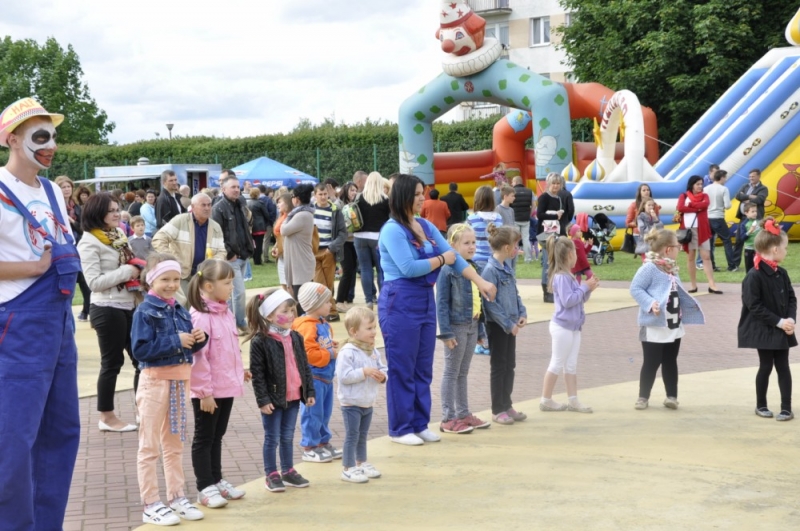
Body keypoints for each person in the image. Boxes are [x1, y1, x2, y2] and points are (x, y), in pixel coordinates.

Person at [0, 97, 81, 529]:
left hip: (59, 322)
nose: (51, 145)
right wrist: (31, 268)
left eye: (53, 136)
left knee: (61, 433)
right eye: (41, 136)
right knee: (12, 443)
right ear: (13, 139)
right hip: (19, 327)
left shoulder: (51, 191)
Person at [378, 174, 496, 445]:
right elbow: (409, 268)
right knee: (403, 367)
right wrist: (442, 258)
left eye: (423, 192)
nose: (423, 198)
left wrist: (481, 282)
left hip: (423, 299)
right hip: (399, 301)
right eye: (418, 194)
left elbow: (456, 260)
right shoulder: (392, 230)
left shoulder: (425, 225)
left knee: (423, 366)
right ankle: (401, 429)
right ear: (404, 196)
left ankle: (419, 424)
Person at [131, 252, 209, 525]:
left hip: (179, 382)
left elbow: (189, 346)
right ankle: (150, 503)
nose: (172, 285)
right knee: (149, 446)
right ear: (151, 279)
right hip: (154, 383)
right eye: (165, 279)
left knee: (174, 444)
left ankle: (176, 496)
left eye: (176, 279)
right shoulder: (144, 311)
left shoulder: (179, 308)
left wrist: (199, 338)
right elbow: (140, 350)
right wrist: (176, 340)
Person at [187, 259, 250, 508]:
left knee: (217, 435)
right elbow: (199, 358)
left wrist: (239, 372)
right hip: (208, 391)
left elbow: (228, 349)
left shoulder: (226, 312)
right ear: (209, 286)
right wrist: (204, 392)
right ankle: (205, 486)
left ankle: (216, 479)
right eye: (227, 283)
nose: (232, 287)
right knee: (204, 437)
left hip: (225, 386)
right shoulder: (200, 317)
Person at [78, 192, 143, 432]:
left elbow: (130, 261)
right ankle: (106, 417)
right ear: (97, 214)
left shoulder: (118, 235)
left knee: (141, 359)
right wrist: (127, 272)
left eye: (118, 209)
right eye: (111, 211)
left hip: (129, 304)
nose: (117, 214)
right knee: (112, 363)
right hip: (106, 308)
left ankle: (143, 409)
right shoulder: (88, 242)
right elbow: (93, 282)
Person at [246, 288, 316, 492]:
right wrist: (263, 400)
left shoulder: (296, 337)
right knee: (272, 438)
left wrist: (309, 391)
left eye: (293, 310)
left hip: (293, 397)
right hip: (273, 399)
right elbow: (258, 375)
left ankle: (288, 470)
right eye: (285, 311)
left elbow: (304, 366)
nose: (291, 315)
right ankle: (271, 474)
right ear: (269, 315)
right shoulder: (260, 341)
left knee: (287, 436)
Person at [629, 229, 704, 410]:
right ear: (668, 249)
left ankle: (671, 396)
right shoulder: (649, 268)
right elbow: (635, 288)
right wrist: (650, 303)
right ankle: (643, 397)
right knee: (651, 362)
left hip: (673, 323)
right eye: (678, 246)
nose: (680, 249)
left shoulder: (671, 267)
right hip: (654, 325)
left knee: (670, 360)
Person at [738, 219, 796, 421]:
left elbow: (791, 298)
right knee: (766, 366)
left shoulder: (782, 273)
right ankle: (761, 405)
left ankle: (786, 408)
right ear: (774, 249)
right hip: (763, 329)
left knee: (783, 366)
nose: (786, 251)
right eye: (785, 248)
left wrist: (790, 319)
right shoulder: (754, 276)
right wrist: (779, 322)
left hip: (782, 327)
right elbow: (754, 306)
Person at [435, 223, 491, 434]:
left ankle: (463, 413)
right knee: (452, 371)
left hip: (472, 325)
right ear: (453, 245)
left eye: (474, 242)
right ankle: (448, 418)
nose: (472, 246)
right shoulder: (447, 271)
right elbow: (441, 303)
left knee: (463, 372)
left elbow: (478, 302)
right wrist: (446, 333)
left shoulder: (473, 268)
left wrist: (480, 331)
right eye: (466, 243)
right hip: (456, 327)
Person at [540, 235, 599, 414]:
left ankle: (573, 400)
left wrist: (588, 289)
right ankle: (546, 399)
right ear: (569, 255)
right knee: (557, 363)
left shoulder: (569, 276)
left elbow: (578, 298)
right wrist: (584, 287)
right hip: (563, 327)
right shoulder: (561, 277)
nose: (578, 256)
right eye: (576, 253)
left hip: (573, 327)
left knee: (570, 364)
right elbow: (568, 301)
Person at [480, 224, 527, 425]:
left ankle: (507, 404)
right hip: (498, 326)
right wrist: (508, 324)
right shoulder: (490, 271)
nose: (518, 249)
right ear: (507, 248)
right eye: (516, 245)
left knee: (510, 365)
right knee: (499, 366)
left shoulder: (507, 268)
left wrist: (522, 313)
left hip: (510, 325)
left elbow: (515, 294)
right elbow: (490, 305)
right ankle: (497, 409)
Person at [335, 307, 388, 483]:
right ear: (354, 331)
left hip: (367, 401)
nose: (374, 332)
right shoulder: (347, 352)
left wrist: (383, 376)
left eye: (374, 327)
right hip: (351, 403)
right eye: (369, 328)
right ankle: (348, 468)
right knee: (352, 435)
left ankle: (361, 462)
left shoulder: (372, 350)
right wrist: (363, 372)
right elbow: (343, 377)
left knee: (363, 435)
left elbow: (382, 368)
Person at [293, 282, 343, 463]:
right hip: (313, 378)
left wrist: (330, 345)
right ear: (315, 305)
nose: (330, 304)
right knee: (312, 413)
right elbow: (307, 354)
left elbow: (318, 345)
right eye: (326, 302)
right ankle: (309, 446)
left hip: (326, 376)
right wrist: (330, 353)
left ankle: (322, 442)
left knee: (324, 413)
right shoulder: (306, 326)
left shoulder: (321, 322)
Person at [152, 193, 227, 306]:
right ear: (193, 207)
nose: (207, 208)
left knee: (201, 308)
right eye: (203, 205)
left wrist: (211, 265)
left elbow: (221, 251)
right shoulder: (180, 220)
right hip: (182, 275)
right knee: (182, 306)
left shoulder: (215, 227)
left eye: (209, 205)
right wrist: (171, 259)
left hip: (203, 276)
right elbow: (158, 239)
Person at [212, 176, 254, 331]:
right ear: (223, 189)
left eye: (238, 187)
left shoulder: (241, 204)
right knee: (239, 293)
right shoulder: (218, 208)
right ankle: (239, 322)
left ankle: (231, 322)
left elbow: (245, 228)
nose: (237, 190)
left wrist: (249, 249)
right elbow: (217, 234)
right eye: (233, 187)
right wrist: (229, 253)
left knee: (233, 293)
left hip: (243, 254)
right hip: (231, 258)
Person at [676, 176, 722, 294]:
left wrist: (690, 205)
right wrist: (696, 208)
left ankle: (712, 285)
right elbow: (680, 207)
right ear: (691, 184)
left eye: (701, 184)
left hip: (702, 229)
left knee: (706, 256)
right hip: (689, 230)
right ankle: (693, 285)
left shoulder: (705, 196)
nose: (700, 186)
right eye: (697, 184)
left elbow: (705, 205)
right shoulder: (684, 196)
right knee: (691, 257)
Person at [56, 175, 92, 321]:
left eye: (68, 187)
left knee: (84, 282)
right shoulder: (54, 206)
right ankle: (65, 314)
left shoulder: (77, 207)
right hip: (62, 249)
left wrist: (71, 220)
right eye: (63, 187)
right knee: (66, 283)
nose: (66, 189)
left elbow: (84, 228)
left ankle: (87, 311)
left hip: (79, 247)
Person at [354, 172, 390, 309]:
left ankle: (368, 300)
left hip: (359, 237)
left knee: (365, 269)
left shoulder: (359, 198)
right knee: (381, 269)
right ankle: (382, 298)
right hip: (378, 237)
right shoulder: (385, 199)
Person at [311, 184, 347, 322]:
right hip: (314, 252)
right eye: (320, 194)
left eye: (325, 194)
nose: (323, 197)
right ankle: (331, 311)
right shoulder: (310, 210)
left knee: (329, 284)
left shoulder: (335, 211)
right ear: (315, 195)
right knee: (320, 284)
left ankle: (330, 311)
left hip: (329, 251)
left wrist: (331, 248)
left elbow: (343, 233)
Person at [537, 173, 573, 303]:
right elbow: (539, 215)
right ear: (548, 184)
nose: (556, 186)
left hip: (555, 232)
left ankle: (553, 289)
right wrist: (555, 215)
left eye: (558, 184)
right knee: (548, 262)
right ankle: (547, 292)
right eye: (553, 183)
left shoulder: (558, 198)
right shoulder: (544, 197)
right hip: (545, 234)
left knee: (555, 262)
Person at [282, 184, 317, 314]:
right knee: (298, 299)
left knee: (301, 302)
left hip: (301, 264)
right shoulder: (301, 214)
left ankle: (303, 325)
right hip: (299, 262)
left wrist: (287, 215)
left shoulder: (302, 215)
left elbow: (283, 230)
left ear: (297, 199)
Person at [733, 168, 768, 267]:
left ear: (759, 176)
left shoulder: (763, 188)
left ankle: (759, 261)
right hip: (744, 218)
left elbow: (760, 199)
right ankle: (735, 264)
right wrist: (751, 196)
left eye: (753, 176)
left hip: (756, 219)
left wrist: (745, 197)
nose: (751, 178)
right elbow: (737, 196)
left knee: (756, 238)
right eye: (750, 176)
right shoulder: (745, 186)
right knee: (739, 240)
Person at [336, 182, 359, 312]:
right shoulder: (339, 205)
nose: (354, 193)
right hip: (343, 242)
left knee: (351, 271)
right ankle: (339, 301)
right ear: (345, 191)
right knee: (347, 270)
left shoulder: (355, 204)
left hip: (353, 241)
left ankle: (344, 300)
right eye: (351, 190)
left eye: (355, 190)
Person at [705, 169, 734, 272]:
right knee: (727, 240)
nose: (725, 180)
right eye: (725, 177)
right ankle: (731, 265)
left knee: (709, 242)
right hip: (718, 217)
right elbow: (727, 205)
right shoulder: (724, 189)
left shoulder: (706, 188)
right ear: (721, 177)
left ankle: (712, 266)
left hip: (707, 218)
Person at [467, 185, 504, 267]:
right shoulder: (498, 218)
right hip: (496, 259)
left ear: (477, 200)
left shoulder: (471, 219)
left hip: (477, 259)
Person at [271, 192, 293, 291]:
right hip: (281, 254)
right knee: (284, 284)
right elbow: (279, 236)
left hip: (289, 254)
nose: (278, 205)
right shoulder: (282, 216)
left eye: (280, 202)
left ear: (288, 203)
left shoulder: (292, 217)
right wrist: (275, 247)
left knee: (289, 285)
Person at [510, 176, 535, 263]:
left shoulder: (512, 191)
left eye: (512, 182)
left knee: (515, 239)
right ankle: (528, 258)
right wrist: (529, 214)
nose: (511, 184)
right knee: (526, 239)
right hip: (526, 219)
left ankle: (514, 258)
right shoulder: (530, 191)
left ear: (516, 182)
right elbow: (534, 205)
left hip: (515, 218)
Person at [247, 188, 271, 266]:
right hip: (259, 226)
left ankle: (254, 258)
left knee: (253, 243)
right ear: (258, 194)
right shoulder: (260, 203)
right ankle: (257, 260)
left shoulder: (248, 203)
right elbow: (266, 214)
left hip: (251, 226)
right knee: (259, 244)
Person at [738, 202, 762, 272]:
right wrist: (750, 231)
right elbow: (742, 238)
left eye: (756, 211)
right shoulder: (744, 224)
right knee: (750, 270)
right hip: (749, 250)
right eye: (752, 211)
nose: (755, 213)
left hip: (759, 249)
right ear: (746, 213)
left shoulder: (759, 222)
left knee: (760, 269)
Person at [257, 185, 277, 263]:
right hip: (267, 223)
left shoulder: (256, 199)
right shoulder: (268, 200)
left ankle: (258, 257)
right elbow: (272, 212)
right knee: (266, 240)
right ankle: (265, 257)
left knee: (259, 241)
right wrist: (271, 221)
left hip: (257, 224)